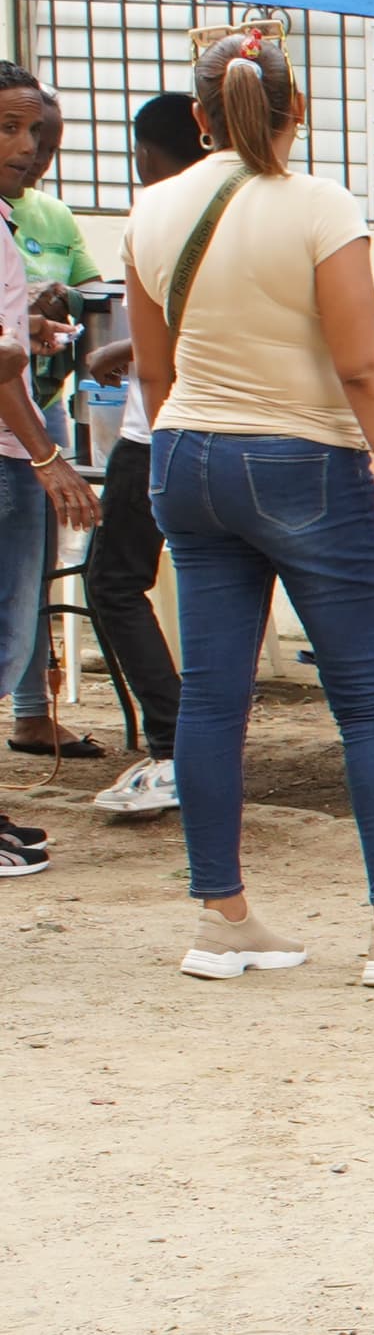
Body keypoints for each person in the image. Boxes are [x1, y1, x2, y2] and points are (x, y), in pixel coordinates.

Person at [127, 23, 374, 981]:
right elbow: (364, 365)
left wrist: (195, 453)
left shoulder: (152, 209)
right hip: (303, 462)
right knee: (369, 703)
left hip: (186, 456)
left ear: (202, 116)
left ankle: (222, 918)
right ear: (297, 108)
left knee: (213, 698)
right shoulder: (321, 206)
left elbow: (156, 372)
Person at [66, 95, 209, 820]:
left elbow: (166, 345)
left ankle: (177, 746)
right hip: (234, 433)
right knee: (224, 588)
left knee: (112, 583)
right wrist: (127, 347)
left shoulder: (154, 214)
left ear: (145, 154)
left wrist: (130, 356)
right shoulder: (243, 208)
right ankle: (202, 745)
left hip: (157, 435)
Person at [1, 62, 105, 798]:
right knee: (8, 629)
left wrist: (25, 329)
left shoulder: (22, 218)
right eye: (9, 128)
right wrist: (46, 457)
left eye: (34, 131)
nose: (27, 147)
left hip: (20, 441)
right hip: (11, 449)